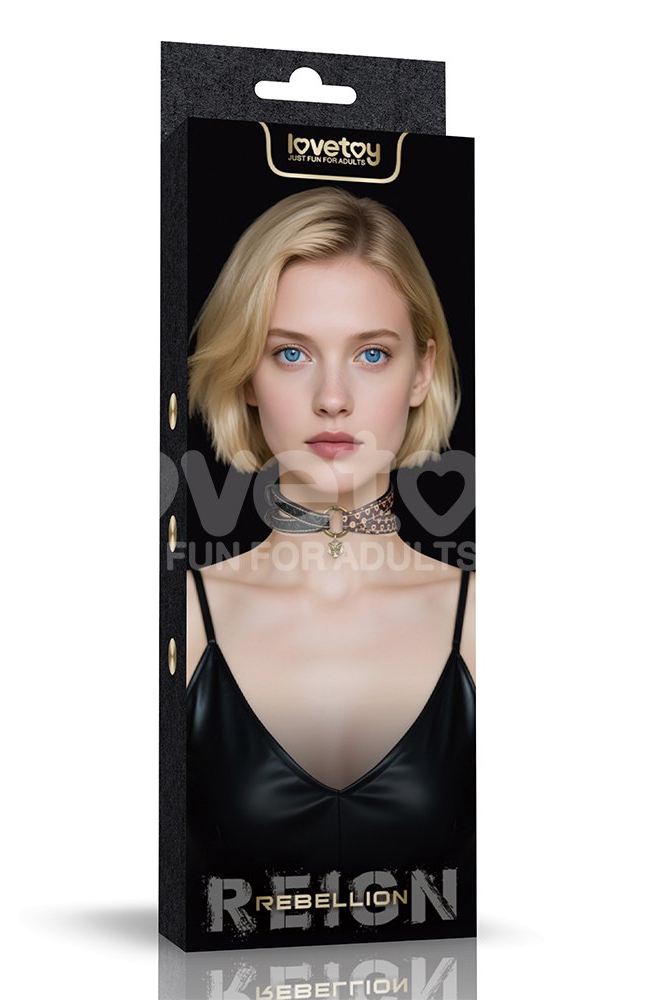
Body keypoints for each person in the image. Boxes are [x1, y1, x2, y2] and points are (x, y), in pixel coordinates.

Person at [184, 185, 475, 882]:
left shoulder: (481, 623)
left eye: (371, 355)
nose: (333, 398)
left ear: (422, 372)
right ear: (245, 373)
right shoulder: (183, 622)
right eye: (292, 354)